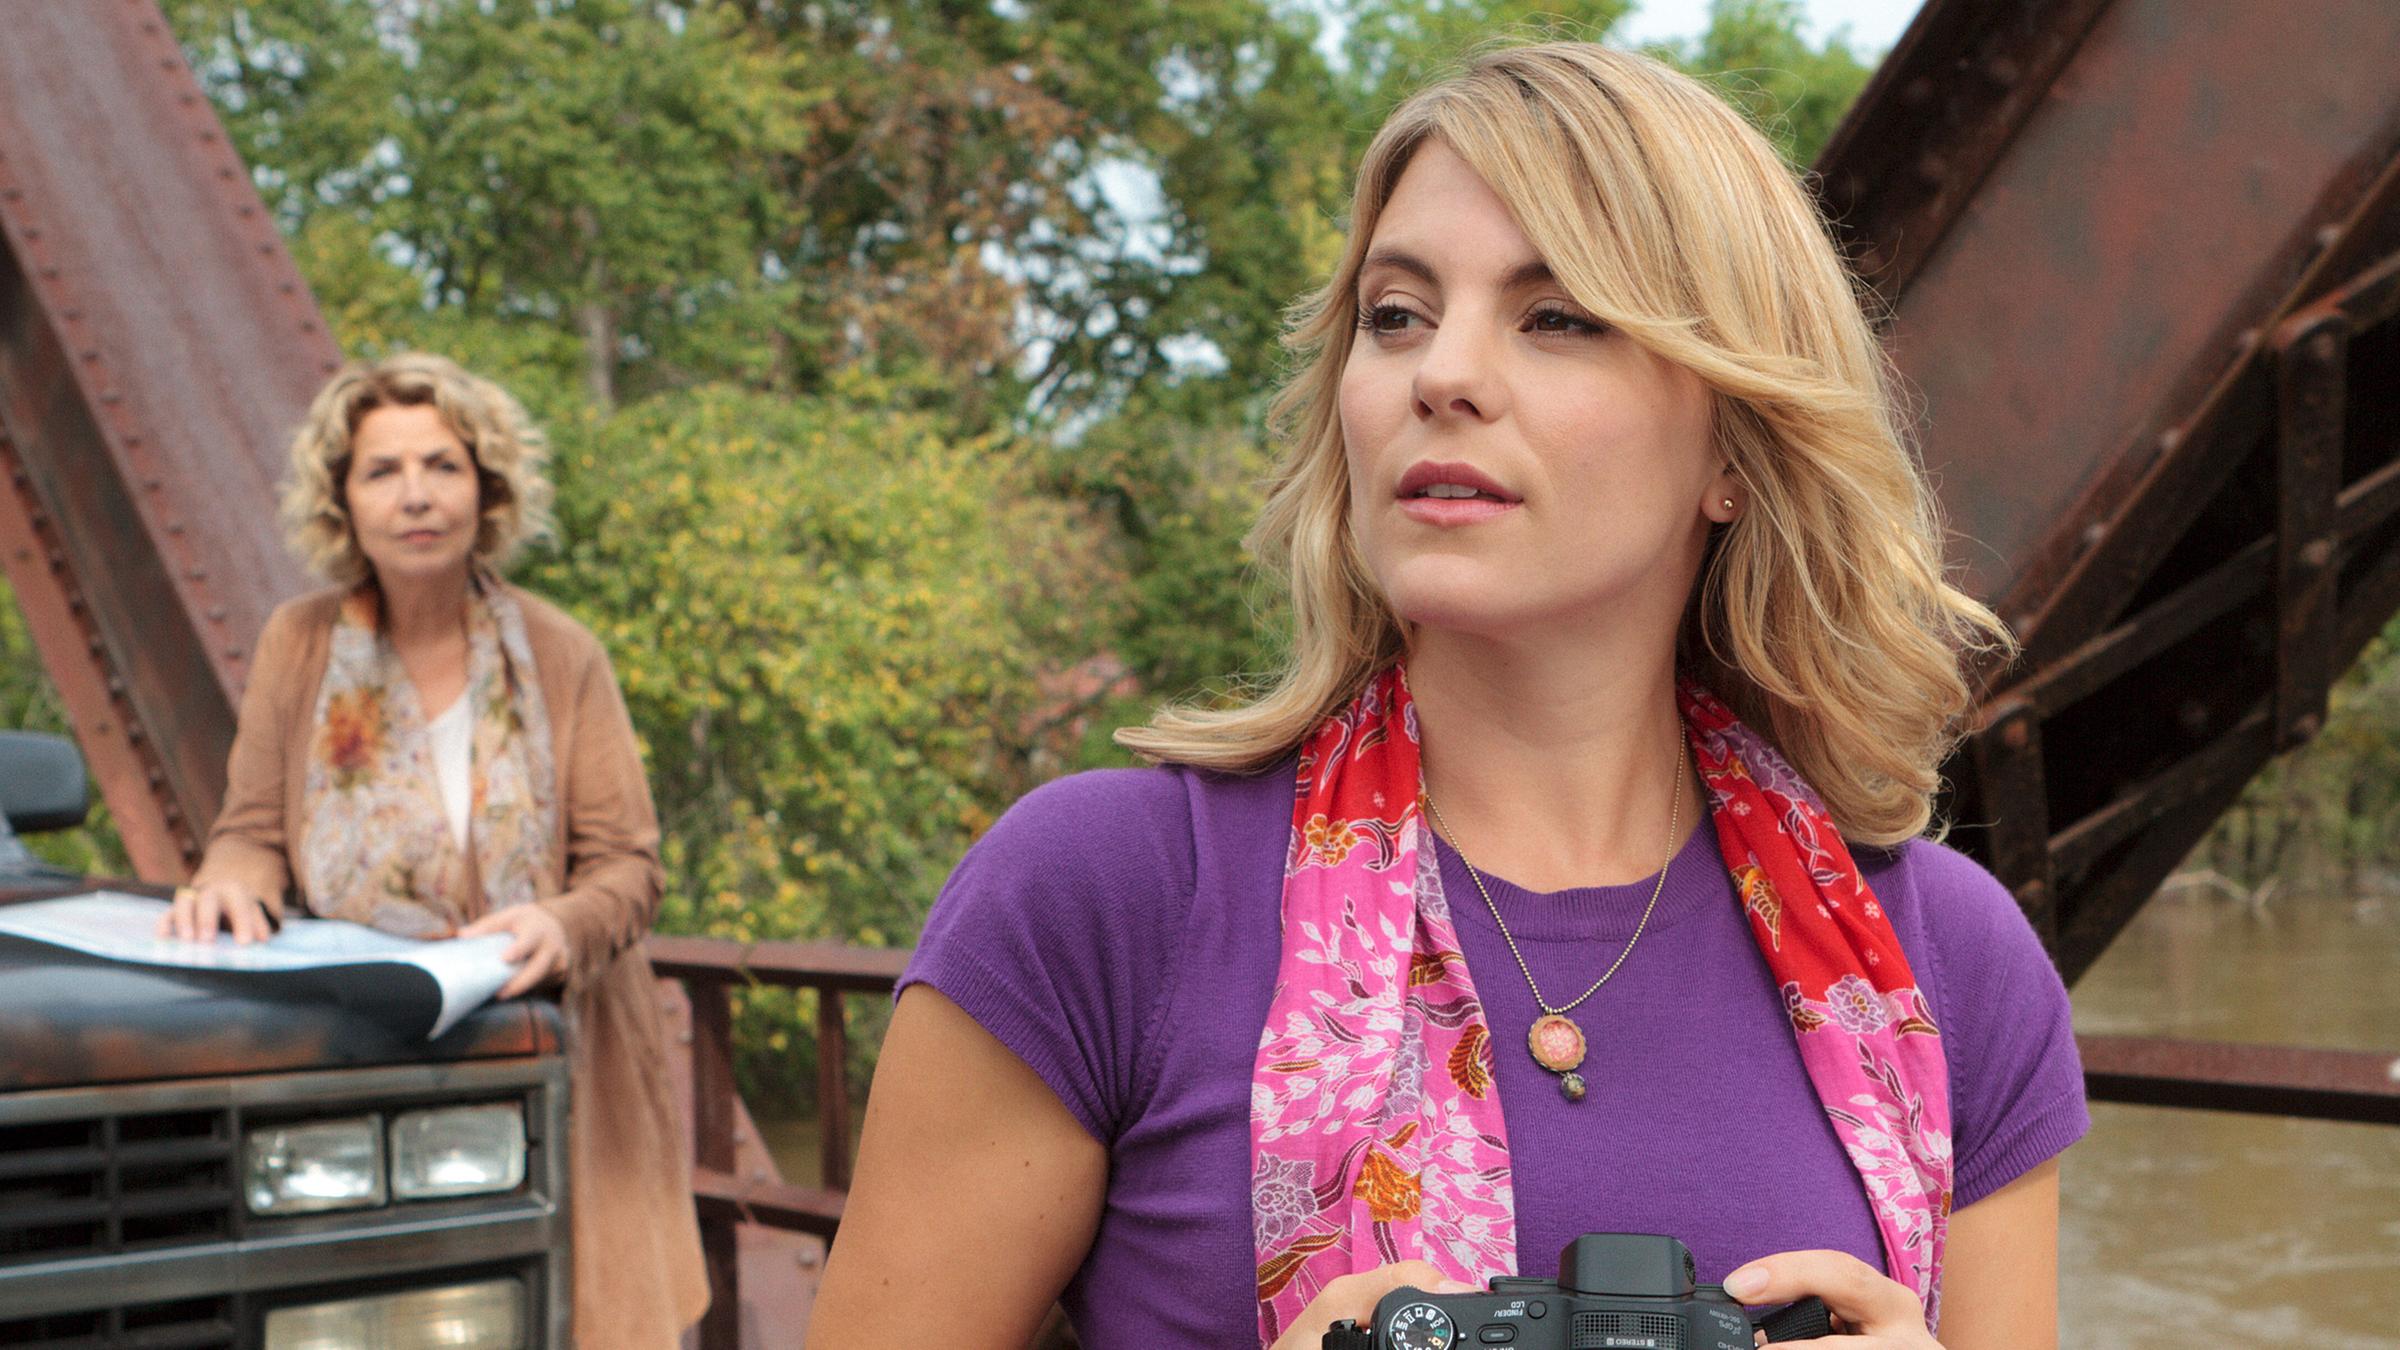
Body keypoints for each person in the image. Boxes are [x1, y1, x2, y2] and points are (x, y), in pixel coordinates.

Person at [812, 42, 2090, 1350]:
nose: (1442, 374)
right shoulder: (1103, 895)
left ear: (1734, 446)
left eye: (1556, 316)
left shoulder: (1953, 968)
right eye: (1398, 314)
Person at [164, 352, 708, 1347]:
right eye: (383, 471)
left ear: (485, 487)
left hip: (557, 1047)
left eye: (442, 465)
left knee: (573, 1317)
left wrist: (561, 921)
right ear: (344, 501)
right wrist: (234, 874)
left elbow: (629, 866)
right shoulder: (299, 643)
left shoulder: (559, 650)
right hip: (369, 1060)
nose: (415, 494)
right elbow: (248, 833)